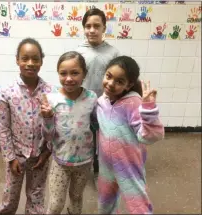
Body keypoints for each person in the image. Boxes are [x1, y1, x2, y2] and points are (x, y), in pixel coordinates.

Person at [95, 56, 165, 214]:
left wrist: (148, 108)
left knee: (138, 205)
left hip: (128, 164)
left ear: (129, 85)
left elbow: (148, 136)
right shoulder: (101, 101)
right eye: (108, 76)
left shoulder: (133, 102)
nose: (111, 83)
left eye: (119, 81)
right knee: (105, 202)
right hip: (106, 164)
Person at [0, 38, 53, 214]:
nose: (30, 63)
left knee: (36, 198)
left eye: (35, 59)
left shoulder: (50, 92)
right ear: (17, 60)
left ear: (41, 61)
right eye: (25, 58)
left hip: (40, 156)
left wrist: (47, 151)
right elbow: (3, 128)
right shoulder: (7, 91)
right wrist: (10, 158)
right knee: (10, 198)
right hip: (16, 155)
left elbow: (55, 125)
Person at [40, 51, 97, 215]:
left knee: (77, 197)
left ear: (84, 74)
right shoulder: (52, 100)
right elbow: (48, 136)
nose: (69, 78)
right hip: (60, 162)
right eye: (63, 73)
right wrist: (47, 118)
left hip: (84, 162)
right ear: (58, 74)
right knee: (56, 203)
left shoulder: (91, 98)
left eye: (75, 73)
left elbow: (95, 125)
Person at [76, 8, 120, 173]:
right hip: (83, 103)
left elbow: (118, 79)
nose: (92, 30)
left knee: (104, 136)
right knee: (84, 135)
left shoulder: (113, 53)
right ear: (84, 28)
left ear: (104, 28)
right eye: (88, 26)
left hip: (106, 104)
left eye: (96, 26)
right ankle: (84, 162)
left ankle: (103, 164)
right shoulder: (78, 52)